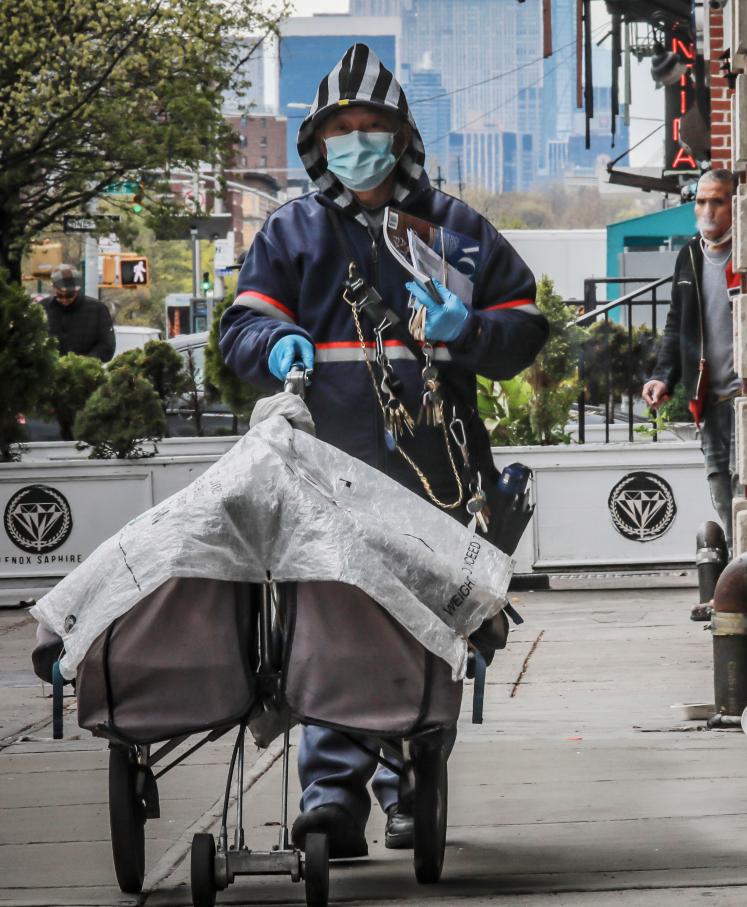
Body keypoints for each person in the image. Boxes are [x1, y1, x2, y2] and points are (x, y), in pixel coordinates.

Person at [219, 44, 546, 859]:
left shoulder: (458, 231)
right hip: (325, 479)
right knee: (330, 629)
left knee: (429, 630)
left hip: (436, 480)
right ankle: (331, 795)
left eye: (373, 126)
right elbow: (242, 325)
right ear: (319, 140)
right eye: (343, 127)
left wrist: (468, 330)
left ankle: (414, 777)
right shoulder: (293, 231)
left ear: (401, 137)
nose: (358, 141)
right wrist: (280, 341)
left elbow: (525, 324)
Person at [642, 170, 741, 620]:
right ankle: (739, 587)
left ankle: (745, 589)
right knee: (722, 494)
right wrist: (663, 376)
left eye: (716, 202)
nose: (706, 211)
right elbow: (675, 323)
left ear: (735, 204)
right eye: (700, 202)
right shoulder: (689, 256)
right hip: (712, 400)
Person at [41, 263, 115, 361]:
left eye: (69, 295)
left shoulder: (98, 310)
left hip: (84, 373)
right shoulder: (42, 308)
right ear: (54, 288)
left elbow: (107, 346)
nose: (64, 300)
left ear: (77, 291)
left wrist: (83, 363)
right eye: (60, 295)